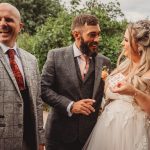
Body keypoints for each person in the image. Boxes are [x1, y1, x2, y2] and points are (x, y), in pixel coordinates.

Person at [41, 14, 110, 150]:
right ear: (76, 34)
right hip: (59, 136)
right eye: (92, 35)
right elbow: (43, 88)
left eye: (98, 34)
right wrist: (70, 106)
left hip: (91, 136)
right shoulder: (55, 56)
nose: (97, 39)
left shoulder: (105, 61)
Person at [83, 20, 150, 150]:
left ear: (140, 45)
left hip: (131, 134)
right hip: (108, 129)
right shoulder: (124, 66)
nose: (122, 44)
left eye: (125, 40)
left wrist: (134, 92)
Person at [0, 3, 45, 150]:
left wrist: (40, 139)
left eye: (8, 19)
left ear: (20, 26)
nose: (2, 24)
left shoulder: (31, 60)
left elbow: (37, 102)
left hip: (29, 141)